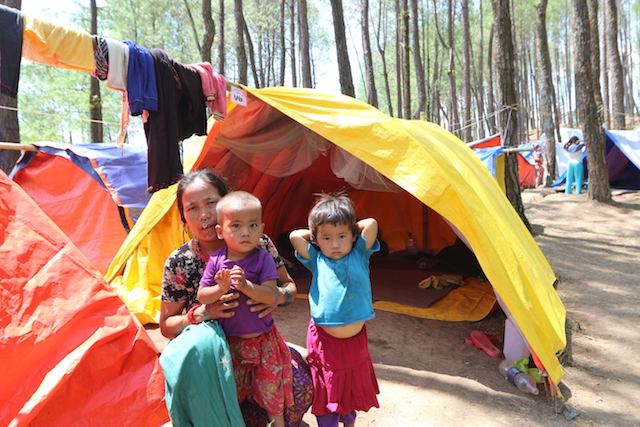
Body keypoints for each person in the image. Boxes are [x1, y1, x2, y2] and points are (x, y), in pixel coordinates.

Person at [158, 168, 311, 427]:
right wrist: (201, 314)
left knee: (298, 387)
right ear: (184, 217)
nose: (204, 215)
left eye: (211, 203)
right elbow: (166, 326)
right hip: (213, 360)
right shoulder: (180, 262)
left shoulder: (257, 242)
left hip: (259, 343)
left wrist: (277, 297)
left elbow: (288, 286)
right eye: (192, 208)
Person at [197, 191, 293, 427]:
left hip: (263, 341)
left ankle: (277, 423)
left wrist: (245, 286)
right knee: (232, 393)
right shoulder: (216, 260)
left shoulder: (263, 259)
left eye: (252, 225)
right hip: (230, 344)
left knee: (271, 390)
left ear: (262, 228)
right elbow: (202, 296)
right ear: (221, 231)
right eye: (236, 225)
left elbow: (270, 294)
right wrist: (220, 289)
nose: (246, 232)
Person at [290, 192, 380, 427]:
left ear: (353, 235)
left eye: (342, 236)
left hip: (355, 344)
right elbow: (295, 236)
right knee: (327, 386)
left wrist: (346, 225)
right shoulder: (317, 259)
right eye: (327, 238)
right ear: (317, 240)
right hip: (324, 343)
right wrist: (319, 231)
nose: (335, 244)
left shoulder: (360, 254)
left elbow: (371, 224)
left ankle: (349, 422)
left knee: (350, 386)